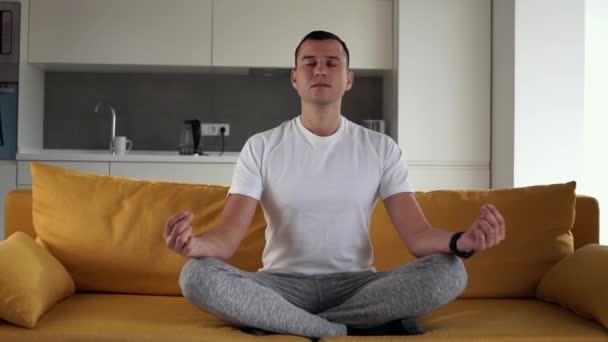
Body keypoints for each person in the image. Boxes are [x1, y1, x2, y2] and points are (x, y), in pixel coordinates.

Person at [164, 30, 505, 339]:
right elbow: (225, 239)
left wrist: (463, 241)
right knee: (195, 276)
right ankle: (346, 327)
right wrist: (195, 246)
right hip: (280, 284)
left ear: (349, 79)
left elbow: (417, 236)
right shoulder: (261, 146)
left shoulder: (381, 148)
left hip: (357, 286)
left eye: (332, 63)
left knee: (450, 271)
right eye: (309, 63)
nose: (320, 70)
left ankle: (284, 322)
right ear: (295, 78)